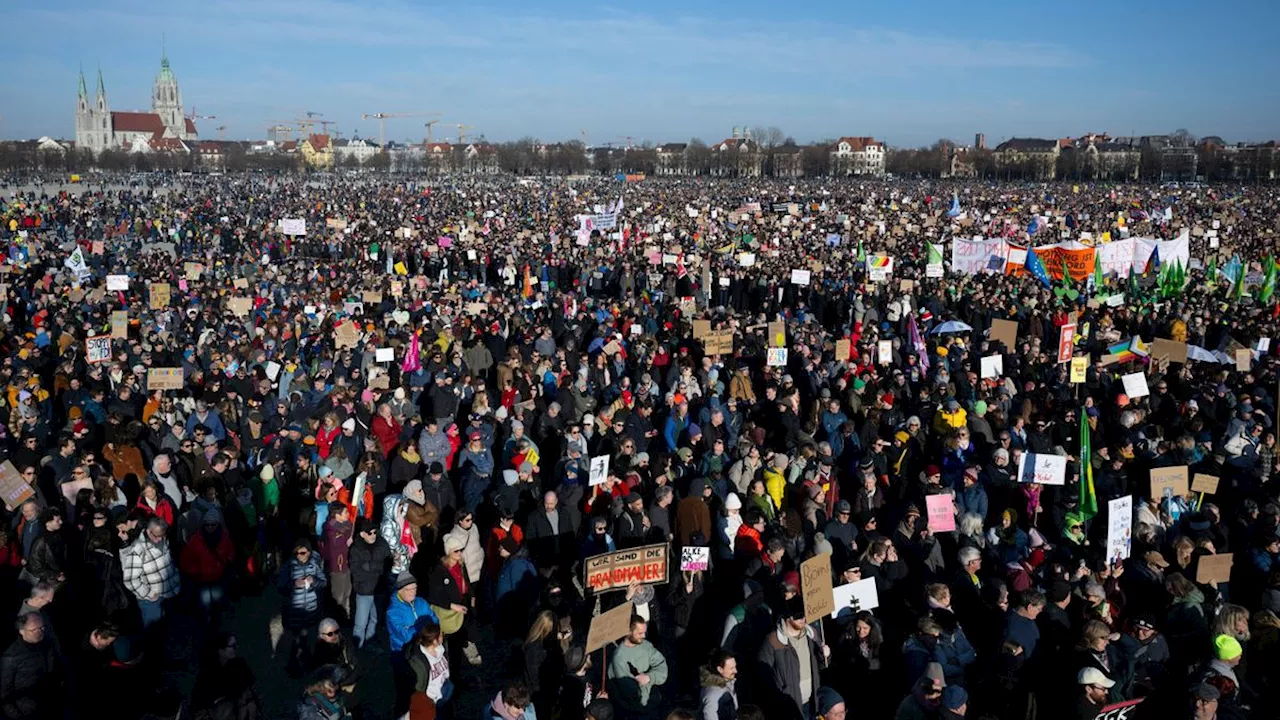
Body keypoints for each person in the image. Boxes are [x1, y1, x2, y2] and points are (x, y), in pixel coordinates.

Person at [757, 598, 828, 720]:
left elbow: (822, 665)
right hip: (789, 705)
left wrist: (825, 654)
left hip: (812, 701)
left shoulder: (812, 635)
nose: (803, 619)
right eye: (798, 616)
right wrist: (780, 696)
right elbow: (763, 676)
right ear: (788, 617)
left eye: (804, 615)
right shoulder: (773, 641)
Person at [120, 516, 180, 628]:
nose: (159, 540)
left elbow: (170, 562)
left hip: (170, 593)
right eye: (156, 536)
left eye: (162, 536)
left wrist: (176, 577)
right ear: (148, 531)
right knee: (154, 635)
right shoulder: (137, 549)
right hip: (152, 601)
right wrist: (149, 594)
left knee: (170, 629)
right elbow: (130, 580)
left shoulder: (164, 539)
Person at [0, 612, 63, 719]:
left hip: (51, 707)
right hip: (27, 712)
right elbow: (4, 694)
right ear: (22, 631)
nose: (40, 632)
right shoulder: (11, 657)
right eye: (34, 629)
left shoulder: (48, 645)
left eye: (42, 628)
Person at [279, 539, 328, 674]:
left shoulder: (314, 565)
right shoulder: (288, 567)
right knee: (296, 640)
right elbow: (281, 587)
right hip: (295, 612)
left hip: (311, 611)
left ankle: (308, 664)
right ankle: (293, 666)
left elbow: (324, 582)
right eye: (298, 553)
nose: (301, 555)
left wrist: (314, 581)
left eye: (304, 553)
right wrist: (294, 584)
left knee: (308, 640)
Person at [607, 615, 669, 720]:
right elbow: (632, 694)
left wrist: (649, 677)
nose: (644, 636)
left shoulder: (646, 646)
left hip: (652, 703)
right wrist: (651, 683)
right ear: (628, 632)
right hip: (634, 711)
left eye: (644, 632)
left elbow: (661, 665)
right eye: (640, 633)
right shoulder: (619, 658)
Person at [349, 516, 391, 648]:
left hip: (379, 588)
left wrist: (370, 566)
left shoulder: (382, 543)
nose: (373, 535)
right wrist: (377, 568)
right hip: (365, 590)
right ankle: (358, 645)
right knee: (360, 622)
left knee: (375, 618)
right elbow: (357, 572)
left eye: (374, 532)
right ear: (362, 534)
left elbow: (388, 562)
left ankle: (370, 640)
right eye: (369, 533)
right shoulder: (356, 549)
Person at [387, 573, 439, 654]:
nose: (413, 592)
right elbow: (405, 636)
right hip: (404, 651)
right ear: (400, 591)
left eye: (415, 588)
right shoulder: (392, 612)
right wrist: (425, 626)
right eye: (409, 589)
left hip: (425, 647)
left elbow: (435, 620)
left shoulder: (421, 602)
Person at [406, 621, 452, 708]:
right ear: (435, 641)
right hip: (433, 702)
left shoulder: (442, 648)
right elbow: (418, 686)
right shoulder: (418, 661)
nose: (443, 636)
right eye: (441, 635)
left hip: (447, 695)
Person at [699, 650, 738, 720]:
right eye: (731, 668)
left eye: (735, 667)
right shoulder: (714, 693)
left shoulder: (728, 683)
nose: (735, 671)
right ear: (720, 669)